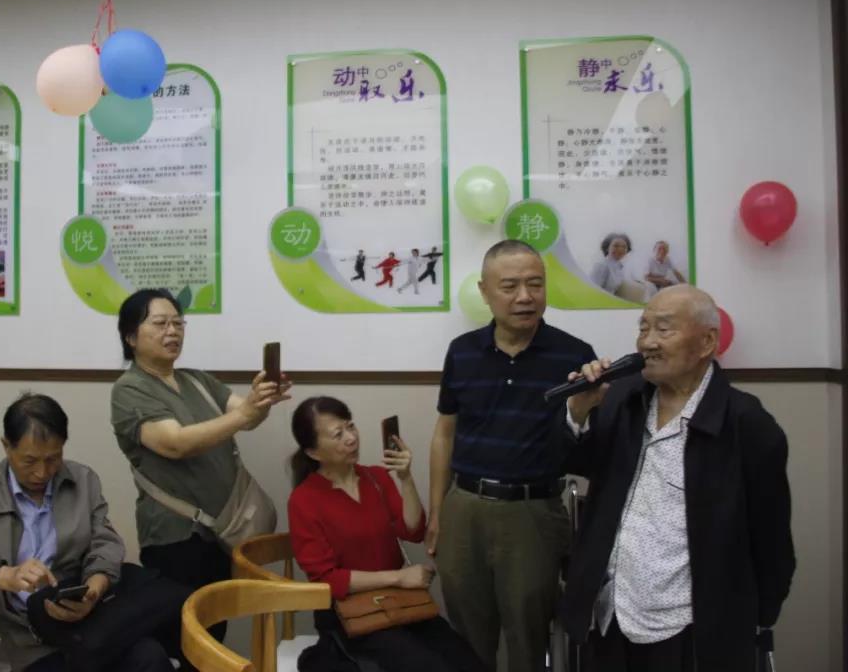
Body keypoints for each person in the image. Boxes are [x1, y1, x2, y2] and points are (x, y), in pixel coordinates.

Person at [560, 285, 795, 672]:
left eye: (663, 329)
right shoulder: (621, 398)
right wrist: (579, 411)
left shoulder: (748, 424)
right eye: (643, 328)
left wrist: (752, 621)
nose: (647, 342)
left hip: (690, 627)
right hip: (612, 614)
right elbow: (576, 462)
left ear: (707, 342)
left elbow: (772, 544)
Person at [427, 239, 595, 672]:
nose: (525, 296)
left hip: (533, 511)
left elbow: (590, 445)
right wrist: (438, 510)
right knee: (466, 635)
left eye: (535, 284)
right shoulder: (462, 351)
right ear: (485, 292)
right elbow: (445, 432)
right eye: (510, 286)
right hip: (464, 507)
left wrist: (583, 409)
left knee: (529, 634)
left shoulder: (574, 355)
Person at [0, 393, 187, 672]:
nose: (42, 472)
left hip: (91, 618)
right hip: (30, 640)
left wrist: (94, 589)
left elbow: (105, 543)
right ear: (6, 446)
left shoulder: (82, 480)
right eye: (29, 461)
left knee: (150, 655)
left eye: (53, 458)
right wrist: (2, 575)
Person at [109, 289, 290, 641]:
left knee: (214, 629)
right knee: (185, 638)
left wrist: (260, 401)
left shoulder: (196, 379)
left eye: (178, 323)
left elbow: (246, 417)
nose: (172, 331)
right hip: (176, 537)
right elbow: (175, 443)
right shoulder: (129, 389)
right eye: (160, 323)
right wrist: (245, 413)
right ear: (131, 337)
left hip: (221, 532)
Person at [288, 396, 485, 672]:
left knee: (466, 661)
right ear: (313, 452)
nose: (351, 438)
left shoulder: (376, 477)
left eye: (351, 426)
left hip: (399, 603)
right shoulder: (304, 500)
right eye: (338, 434)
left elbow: (413, 530)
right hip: (350, 614)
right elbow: (327, 579)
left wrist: (405, 478)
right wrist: (399, 577)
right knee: (428, 666)